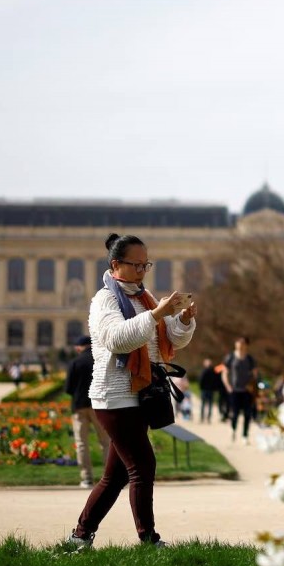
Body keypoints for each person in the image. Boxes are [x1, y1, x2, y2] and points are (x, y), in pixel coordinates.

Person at [69, 233, 196, 548]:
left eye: (146, 264)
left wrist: (182, 320)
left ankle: (80, 536)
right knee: (142, 465)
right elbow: (117, 339)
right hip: (113, 396)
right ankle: (148, 539)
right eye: (136, 265)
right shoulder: (106, 299)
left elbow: (167, 341)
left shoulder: (145, 297)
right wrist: (156, 315)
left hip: (139, 393)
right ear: (116, 264)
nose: (142, 271)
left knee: (116, 476)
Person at [64, 335, 111, 488]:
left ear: (78, 348)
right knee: (106, 442)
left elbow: (68, 389)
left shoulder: (75, 362)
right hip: (98, 405)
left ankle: (86, 478)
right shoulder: (100, 359)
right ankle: (110, 477)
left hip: (79, 407)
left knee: (82, 443)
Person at [221, 336, 258, 440]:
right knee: (235, 412)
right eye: (238, 342)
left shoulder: (250, 359)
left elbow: (255, 374)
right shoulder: (230, 357)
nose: (240, 345)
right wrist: (228, 386)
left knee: (247, 413)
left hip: (247, 391)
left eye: (242, 343)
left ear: (247, 345)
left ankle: (245, 435)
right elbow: (224, 373)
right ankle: (233, 430)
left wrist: (252, 384)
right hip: (234, 390)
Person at [197, 357, 218, 423]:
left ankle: (207, 418)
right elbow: (200, 380)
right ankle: (202, 417)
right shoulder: (206, 371)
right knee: (205, 404)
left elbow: (215, 380)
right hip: (205, 390)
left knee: (209, 404)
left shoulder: (212, 371)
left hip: (209, 390)